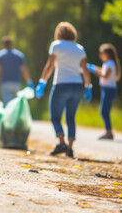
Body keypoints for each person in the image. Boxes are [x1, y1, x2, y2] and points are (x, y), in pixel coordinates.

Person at [35, 22, 92, 158]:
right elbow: (84, 69)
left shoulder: (56, 45)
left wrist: (42, 82)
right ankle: (70, 148)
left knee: (55, 117)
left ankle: (61, 143)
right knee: (70, 118)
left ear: (59, 33)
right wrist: (88, 87)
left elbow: (50, 65)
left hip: (61, 85)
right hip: (77, 86)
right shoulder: (79, 48)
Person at [87, 43, 121, 140]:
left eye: (102, 53)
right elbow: (103, 70)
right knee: (105, 111)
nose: (100, 55)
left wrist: (94, 71)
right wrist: (94, 67)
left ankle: (109, 132)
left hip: (109, 90)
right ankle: (108, 131)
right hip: (107, 90)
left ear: (108, 54)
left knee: (104, 111)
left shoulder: (110, 63)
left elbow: (105, 75)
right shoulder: (108, 63)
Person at [0, 36, 34, 105]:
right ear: (12, 45)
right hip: (16, 84)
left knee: (8, 105)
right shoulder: (19, 55)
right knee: (15, 105)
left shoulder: (0, 55)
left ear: (3, 45)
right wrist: (29, 82)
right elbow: (24, 70)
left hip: (5, 84)